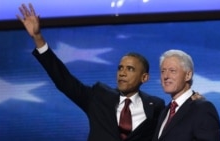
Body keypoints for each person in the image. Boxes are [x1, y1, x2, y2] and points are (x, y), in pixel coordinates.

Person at [17, 3, 165, 141]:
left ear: (144, 77)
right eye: (120, 68)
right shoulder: (99, 96)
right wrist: (38, 38)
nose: (122, 73)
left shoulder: (155, 106)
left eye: (130, 69)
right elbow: (64, 81)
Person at [152, 49, 220, 141]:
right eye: (163, 71)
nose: (165, 76)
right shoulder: (165, 111)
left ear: (188, 75)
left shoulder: (202, 109)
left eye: (172, 71)